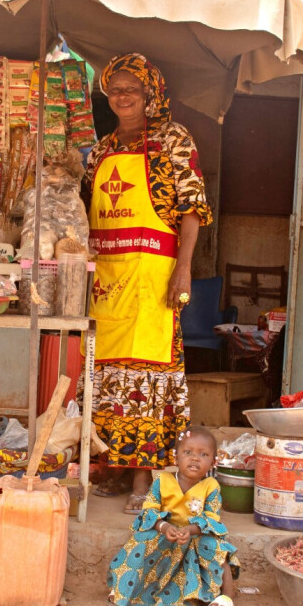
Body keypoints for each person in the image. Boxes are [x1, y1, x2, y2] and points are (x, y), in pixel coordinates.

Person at [87, 52, 213, 514]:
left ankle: (143, 475)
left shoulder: (173, 140)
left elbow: (192, 209)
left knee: (145, 378)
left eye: (132, 89)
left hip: (153, 276)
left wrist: (184, 267)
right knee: (104, 375)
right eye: (115, 89)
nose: (122, 97)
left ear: (150, 93)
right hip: (105, 277)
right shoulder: (101, 148)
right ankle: (112, 470)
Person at [106, 427, 238, 606]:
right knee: (140, 542)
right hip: (164, 534)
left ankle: (226, 598)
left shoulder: (211, 486)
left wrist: (191, 530)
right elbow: (149, 510)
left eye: (203, 454)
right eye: (188, 453)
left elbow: (211, 519)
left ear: (213, 462)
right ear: (176, 457)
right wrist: (163, 526)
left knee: (218, 550)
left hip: (195, 536)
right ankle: (121, 590)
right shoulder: (162, 481)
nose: (194, 458)